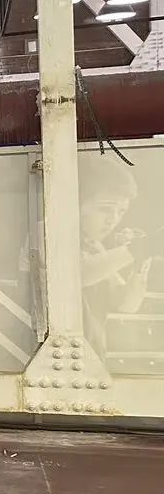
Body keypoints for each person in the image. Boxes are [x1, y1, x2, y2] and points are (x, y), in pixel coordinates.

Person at [79, 154, 152, 361]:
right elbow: (78, 275)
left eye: (121, 211)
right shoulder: (48, 236)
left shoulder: (94, 246)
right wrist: (134, 250)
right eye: (105, 209)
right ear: (75, 202)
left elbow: (127, 303)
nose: (113, 220)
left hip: (91, 360)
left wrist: (142, 260)